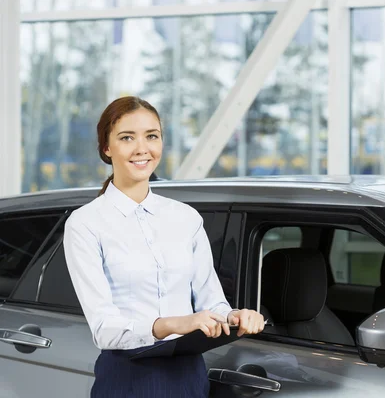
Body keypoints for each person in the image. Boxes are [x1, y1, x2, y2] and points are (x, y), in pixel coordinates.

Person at [63, 96, 265, 397]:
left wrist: (234, 317)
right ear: (107, 148)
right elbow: (104, 328)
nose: (142, 148)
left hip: (189, 377)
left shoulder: (185, 218)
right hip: (127, 378)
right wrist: (178, 323)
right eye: (127, 137)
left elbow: (213, 304)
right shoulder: (86, 223)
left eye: (152, 136)